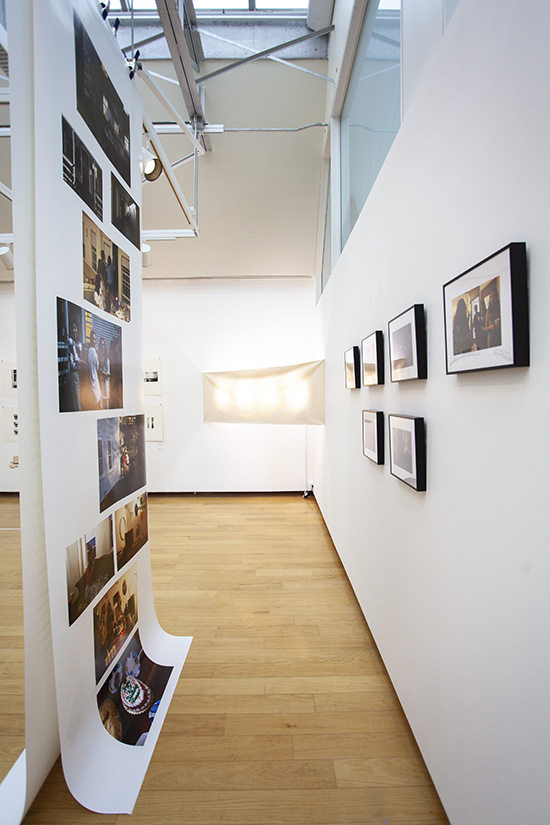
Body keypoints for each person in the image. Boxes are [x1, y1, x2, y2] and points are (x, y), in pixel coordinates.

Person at [67, 320, 83, 410]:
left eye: (75, 328)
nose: (74, 330)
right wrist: (80, 362)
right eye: (72, 328)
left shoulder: (79, 343)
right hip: (74, 373)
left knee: (80, 397)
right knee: (76, 399)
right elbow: (74, 360)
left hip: (80, 373)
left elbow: (80, 357)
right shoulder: (71, 342)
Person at [88, 330, 102, 409]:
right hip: (94, 379)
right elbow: (96, 366)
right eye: (93, 339)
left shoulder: (91, 350)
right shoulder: (92, 351)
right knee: (96, 401)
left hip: (93, 379)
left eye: (95, 339)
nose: (94, 341)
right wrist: (96, 351)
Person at [98, 337, 111, 409]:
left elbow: (108, 374)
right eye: (101, 345)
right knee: (101, 404)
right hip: (100, 384)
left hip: (105, 385)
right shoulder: (99, 358)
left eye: (103, 345)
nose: (102, 347)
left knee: (106, 404)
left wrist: (102, 372)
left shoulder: (106, 359)